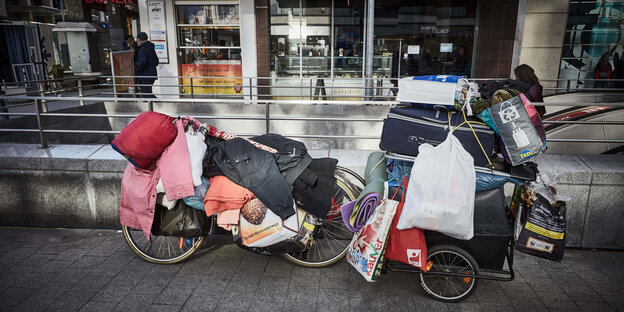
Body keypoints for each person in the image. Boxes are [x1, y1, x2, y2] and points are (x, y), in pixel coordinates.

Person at [134, 32, 159, 98]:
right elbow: (156, 61)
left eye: (137, 39)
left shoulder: (142, 49)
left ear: (139, 39)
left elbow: (142, 62)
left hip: (145, 75)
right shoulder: (150, 48)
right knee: (148, 93)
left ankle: (160, 106)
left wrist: (137, 69)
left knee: (147, 95)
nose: (137, 41)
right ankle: (157, 105)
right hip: (151, 74)